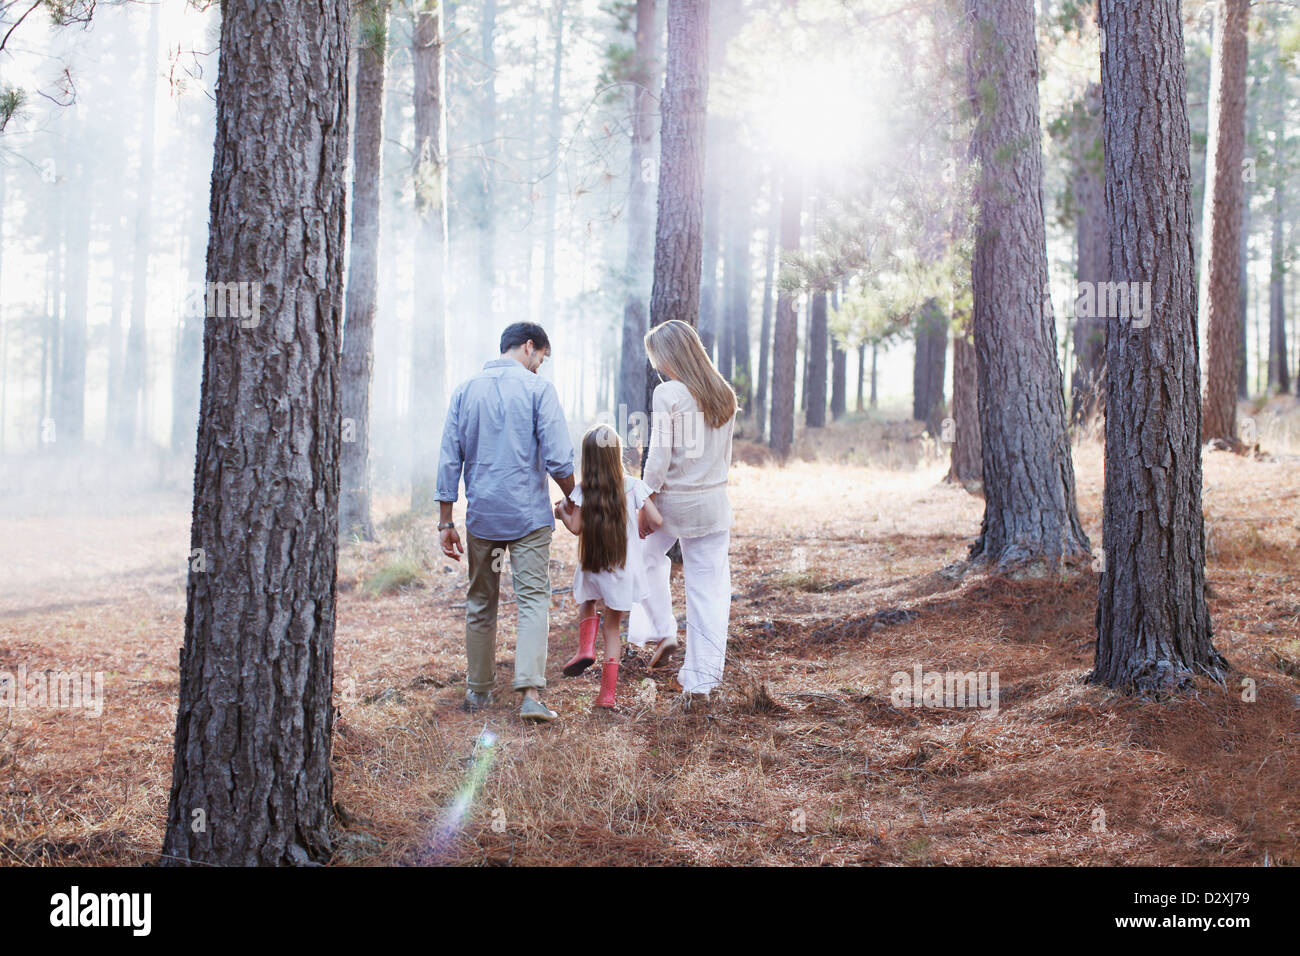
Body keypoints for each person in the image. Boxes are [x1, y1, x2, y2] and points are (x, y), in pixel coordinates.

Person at [436, 322, 575, 723]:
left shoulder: (465, 390)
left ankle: (478, 691)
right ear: (530, 347)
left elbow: (449, 456)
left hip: (483, 518)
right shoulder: (537, 391)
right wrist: (572, 497)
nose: (539, 368)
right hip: (528, 517)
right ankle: (530, 693)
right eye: (541, 359)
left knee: (481, 601)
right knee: (533, 600)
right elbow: (558, 457)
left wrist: (446, 520)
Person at [630, 320, 737, 700]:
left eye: (655, 355)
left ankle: (658, 631)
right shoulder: (722, 392)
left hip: (672, 502)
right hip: (712, 504)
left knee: (641, 559)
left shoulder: (669, 393)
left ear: (669, 353)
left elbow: (658, 456)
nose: (655, 364)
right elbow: (724, 457)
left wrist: (645, 497)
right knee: (709, 592)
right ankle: (703, 680)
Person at [553, 424, 663, 709]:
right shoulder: (634, 486)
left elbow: (576, 528)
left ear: (588, 458)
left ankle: (585, 648)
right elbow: (658, 521)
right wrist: (644, 520)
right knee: (612, 629)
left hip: (593, 565)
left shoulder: (583, 490)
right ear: (616, 455)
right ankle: (607, 696)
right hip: (623, 570)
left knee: (588, 602)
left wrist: (562, 513)